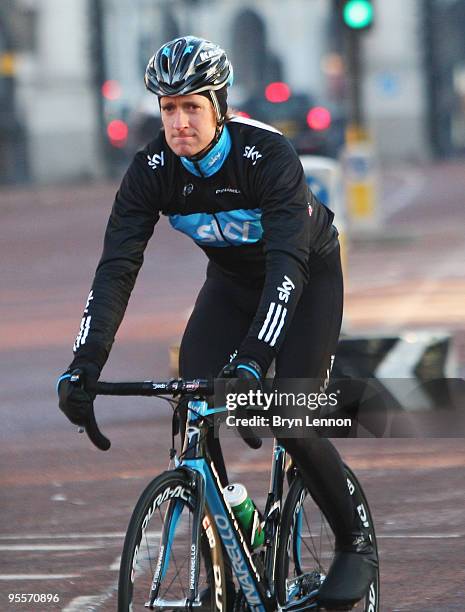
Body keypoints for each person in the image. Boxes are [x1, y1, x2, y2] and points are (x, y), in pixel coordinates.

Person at [57, 36, 377, 609]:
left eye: (191, 106)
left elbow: (288, 267)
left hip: (304, 278)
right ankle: (230, 526)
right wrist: (85, 363)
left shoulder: (266, 157)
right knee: (192, 402)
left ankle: (355, 543)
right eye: (167, 108)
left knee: (290, 410)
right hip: (230, 285)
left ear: (220, 106)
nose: (178, 122)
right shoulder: (151, 171)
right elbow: (115, 271)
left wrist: (256, 357)